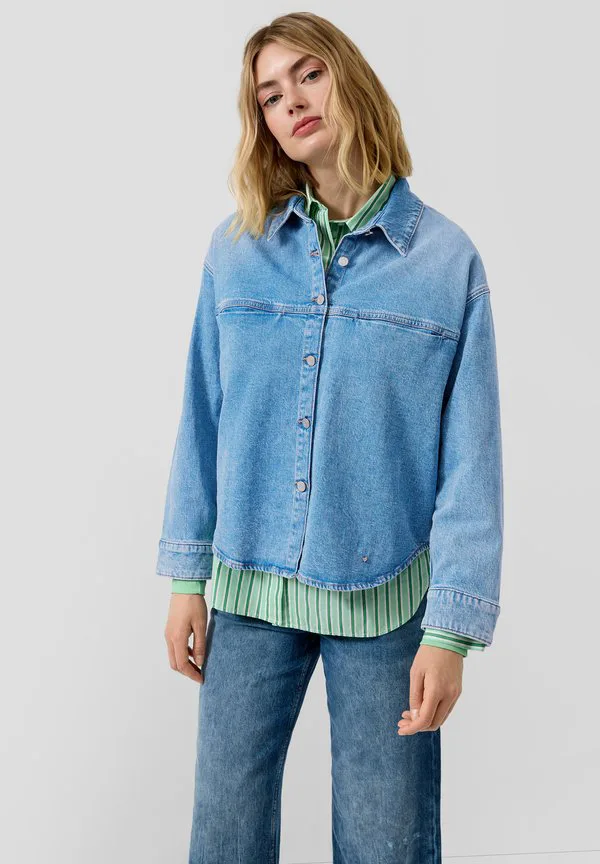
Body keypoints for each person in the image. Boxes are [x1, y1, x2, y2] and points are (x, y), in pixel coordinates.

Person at [156, 12, 504, 863]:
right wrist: (185, 576)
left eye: (308, 74)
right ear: (265, 125)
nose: (293, 102)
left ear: (349, 78)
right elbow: (202, 416)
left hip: (387, 600)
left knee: (389, 845)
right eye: (270, 96)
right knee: (225, 839)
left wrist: (451, 631)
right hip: (247, 590)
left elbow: (472, 461)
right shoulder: (236, 250)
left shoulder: (446, 261)